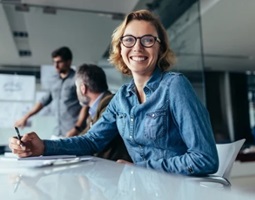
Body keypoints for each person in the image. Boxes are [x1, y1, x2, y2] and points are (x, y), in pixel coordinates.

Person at [9, 10, 218, 176]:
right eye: (129, 40)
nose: (137, 47)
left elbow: (204, 158)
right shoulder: (121, 98)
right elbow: (91, 141)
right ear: (120, 48)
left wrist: (145, 168)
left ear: (160, 49)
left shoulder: (175, 86)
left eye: (148, 40)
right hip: (140, 188)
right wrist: (42, 146)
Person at [14, 46, 88, 137]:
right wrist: (26, 117)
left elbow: (85, 104)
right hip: (58, 132)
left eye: (59, 62)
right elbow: (43, 101)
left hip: (75, 133)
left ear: (68, 62)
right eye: (54, 62)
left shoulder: (77, 79)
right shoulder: (54, 81)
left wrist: (77, 128)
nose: (55, 65)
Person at [75, 63, 131, 161]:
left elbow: (91, 141)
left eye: (77, 87)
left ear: (83, 88)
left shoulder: (109, 105)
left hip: (114, 170)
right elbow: (85, 136)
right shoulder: (94, 110)